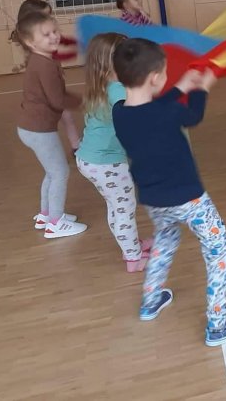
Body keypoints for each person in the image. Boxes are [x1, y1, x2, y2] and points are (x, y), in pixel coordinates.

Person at [112, 39, 226, 346]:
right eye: (164, 73)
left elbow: (153, 111)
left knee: (166, 239)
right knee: (219, 248)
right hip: (189, 199)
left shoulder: (119, 112)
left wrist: (179, 87)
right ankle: (218, 324)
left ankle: (151, 300)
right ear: (154, 78)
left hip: (153, 199)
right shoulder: (166, 113)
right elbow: (192, 117)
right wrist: (202, 88)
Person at [77, 32, 151, 272]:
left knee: (116, 206)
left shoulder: (100, 87)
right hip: (107, 163)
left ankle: (131, 246)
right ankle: (133, 258)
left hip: (89, 159)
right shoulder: (117, 90)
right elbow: (130, 117)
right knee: (124, 209)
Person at [14, 10, 87, 239]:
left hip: (31, 128)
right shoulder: (44, 65)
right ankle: (55, 223)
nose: (54, 36)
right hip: (38, 130)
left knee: (52, 171)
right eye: (46, 34)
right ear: (30, 42)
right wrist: (84, 103)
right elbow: (57, 99)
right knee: (60, 172)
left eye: (55, 31)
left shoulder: (43, 60)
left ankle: (46, 215)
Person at [11, 0, 80, 150]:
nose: (49, 19)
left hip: (54, 87)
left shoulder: (47, 43)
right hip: (47, 98)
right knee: (63, 115)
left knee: (67, 117)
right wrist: (80, 102)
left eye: (49, 15)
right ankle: (75, 146)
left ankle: (76, 146)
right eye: (44, 16)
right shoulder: (40, 56)